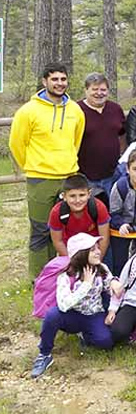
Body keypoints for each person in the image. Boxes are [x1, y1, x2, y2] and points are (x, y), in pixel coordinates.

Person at [9, 62, 85, 279]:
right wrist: (33, 166)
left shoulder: (75, 110)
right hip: (40, 178)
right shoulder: (28, 111)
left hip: (68, 177)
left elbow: (76, 142)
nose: (59, 83)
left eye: (63, 79)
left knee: (62, 227)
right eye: (54, 79)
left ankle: (59, 271)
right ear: (45, 81)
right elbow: (17, 143)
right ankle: (39, 277)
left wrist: (66, 162)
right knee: (40, 228)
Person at [31, 234, 116, 378]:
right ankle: (44, 354)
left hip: (94, 314)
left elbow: (111, 290)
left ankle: (85, 335)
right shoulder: (66, 276)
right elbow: (64, 305)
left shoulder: (101, 269)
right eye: (92, 250)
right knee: (52, 315)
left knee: (105, 342)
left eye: (97, 248)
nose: (98, 252)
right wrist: (85, 285)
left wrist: (114, 289)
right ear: (80, 254)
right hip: (73, 315)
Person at [77, 72, 126, 197]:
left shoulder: (115, 109)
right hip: (85, 176)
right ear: (86, 90)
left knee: (113, 205)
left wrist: (121, 156)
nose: (99, 93)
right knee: (92, 207)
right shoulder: (76, 110)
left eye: (103, 90)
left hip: (113, 174)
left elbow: (122, 134)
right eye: (95, 89)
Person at [48, 174, 110, 258]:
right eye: (72, 196)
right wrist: (72, 262)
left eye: (82, 195)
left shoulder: (98, 207)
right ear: (64, 196)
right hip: (69, 250)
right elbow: (58, 241)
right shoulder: (57, 212)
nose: (77, 200)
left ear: (89, 194)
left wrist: (96, 260)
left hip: (95, 249)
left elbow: (104, 238)